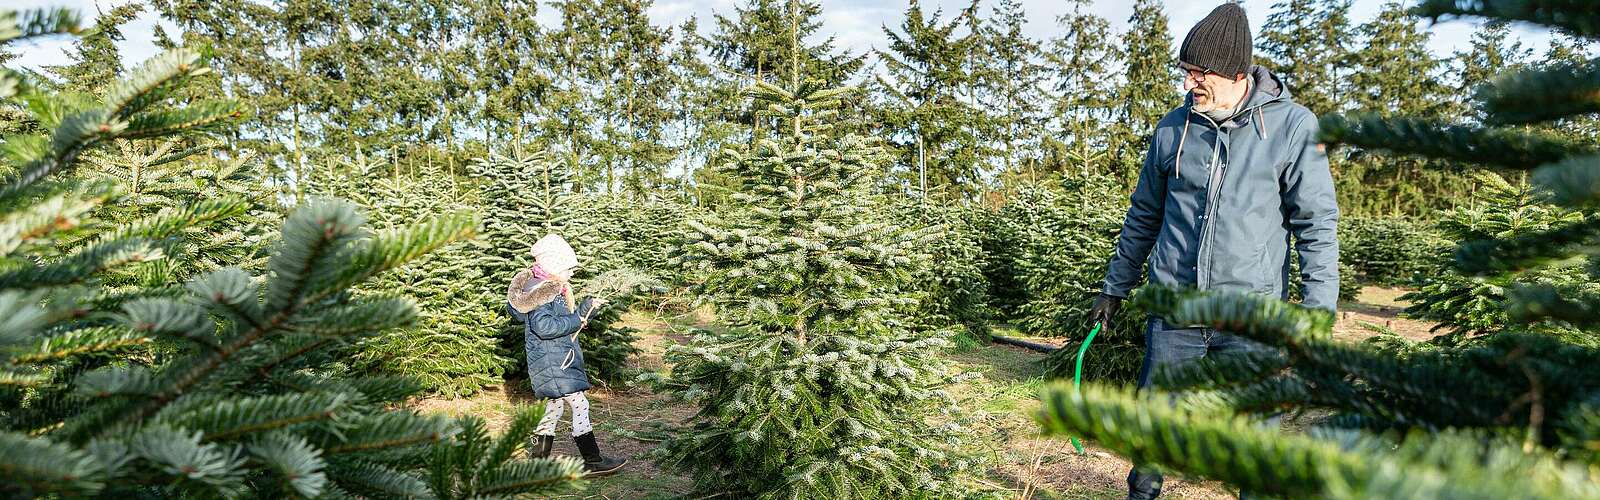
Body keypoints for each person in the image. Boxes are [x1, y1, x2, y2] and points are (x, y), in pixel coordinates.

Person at [1087, 4, 1339, 499]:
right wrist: (1114, 287)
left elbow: (1316, 228)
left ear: (1236, 73)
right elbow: (1144, 216)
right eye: (1186, 73)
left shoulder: (1292, 128)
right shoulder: (1172, 129)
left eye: (1199, 74)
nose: (1190, 85)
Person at [507, 233, 627, 476]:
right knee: (579, 404)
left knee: (552, 410)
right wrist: (577, 318)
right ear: (553, 265)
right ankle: (592, 460)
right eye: (568, 268)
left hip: (555, 362)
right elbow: (545, 327)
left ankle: (535, 463)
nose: (572, 273)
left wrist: (586, 310)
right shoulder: (543, 293)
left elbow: (565, 322)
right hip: (554, 365)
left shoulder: (550, 290)